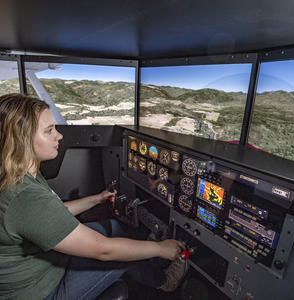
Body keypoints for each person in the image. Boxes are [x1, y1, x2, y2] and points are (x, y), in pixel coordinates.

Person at [0, 93, 188, 300]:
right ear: (21, 140)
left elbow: (51, 215)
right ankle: (165, 282)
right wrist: (159, 249)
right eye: (49, 131)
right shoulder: (24, 196)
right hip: (42, 291)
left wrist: (96, 199)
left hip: (42, 265)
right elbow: (103, 251)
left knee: (112, 229)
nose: (60, 136)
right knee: (118, 253)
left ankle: (149, 259)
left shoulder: (20, 174)